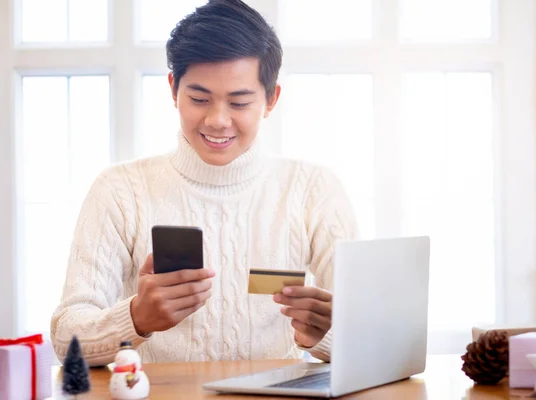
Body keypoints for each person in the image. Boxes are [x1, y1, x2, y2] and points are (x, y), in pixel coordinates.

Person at [50, 0, 358, 366]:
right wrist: (135, 318)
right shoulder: (119, 190)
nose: (217, 120)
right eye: (199, 98)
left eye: (239, 102)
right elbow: (65, 339)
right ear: (172, 89)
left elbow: (370, 337)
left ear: (271, 99)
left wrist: (326, 337)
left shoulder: (313, 189)